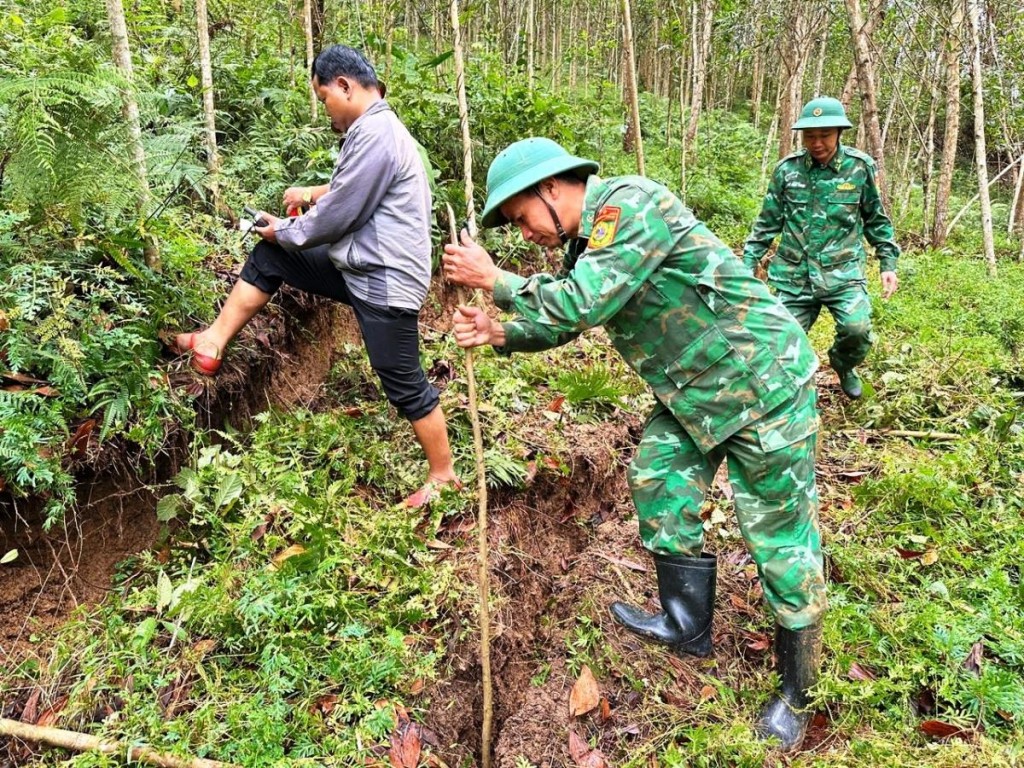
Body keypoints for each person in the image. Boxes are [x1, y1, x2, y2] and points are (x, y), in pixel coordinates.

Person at [442, 137, 827, 751]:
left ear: (551, 188)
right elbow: (562, 315)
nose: (524, 234)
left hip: (761, 383)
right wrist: (500, 331)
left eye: (520, 218)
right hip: (696, 389)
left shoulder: (629, 206)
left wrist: (496, 280)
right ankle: (687, 622)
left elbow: (586, 301)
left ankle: (799, 693)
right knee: (657, 475)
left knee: (779, 536)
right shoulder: (588, 243)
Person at [174, 44, 458, 508]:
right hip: (362, 265)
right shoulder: (376, 130)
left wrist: (284, 227)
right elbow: (350, 188)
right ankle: (212, 342)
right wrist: (305, 200)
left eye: (324, 97)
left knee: (402, 379)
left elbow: (336, 218)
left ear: (344, 86)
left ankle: (444, 475)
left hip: (384, 280)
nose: (325, 110)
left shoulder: (377, 133)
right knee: (271, 258)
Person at [742, 96, 901, 400]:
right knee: (777, 342)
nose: (816, 143)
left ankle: (843, 365)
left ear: (839, 133)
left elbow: (876, 219)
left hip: (842, 273)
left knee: (857, 330)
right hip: (794, 276)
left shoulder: (859, 169)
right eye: (810, 136)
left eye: (824, 135)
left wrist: (887, 263)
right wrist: (749, 259)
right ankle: (794, 395)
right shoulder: (787, 171)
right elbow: (767, 222)